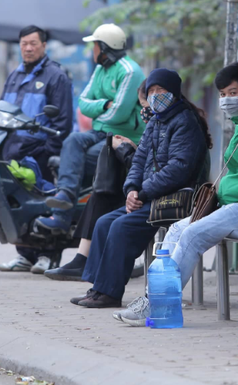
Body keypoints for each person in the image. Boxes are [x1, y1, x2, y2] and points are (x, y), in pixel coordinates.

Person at [114, 62, 238, 326]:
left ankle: (158, 306)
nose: (226, 100)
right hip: (235, 206)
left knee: (192, 234)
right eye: (222, 94)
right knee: (176, 230)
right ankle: (156, 300)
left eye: (232, 93)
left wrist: (231, 190)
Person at [70, 68, 209, 308]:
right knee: (103, 222)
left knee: (121, 226)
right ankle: (98, 288)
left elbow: (178, 169)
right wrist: (132, 189)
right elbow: (139, 161)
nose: (155, 95)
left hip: (173, 199)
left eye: (161, 90)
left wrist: (143, 193)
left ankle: (110, 293)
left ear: (174, 93)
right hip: (149, 196)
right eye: (151, 91)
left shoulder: (185, 122)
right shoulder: (155, 121)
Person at [41, 24, 145, 234]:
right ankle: (65, 197)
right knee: (72, 141)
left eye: (96, 45)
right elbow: (83, 103)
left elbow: (120, 114)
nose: (93, 50)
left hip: (123, 136)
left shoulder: (129, 71)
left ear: (106, 47)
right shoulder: (100, 69)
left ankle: (64, 218)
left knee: (83, 157)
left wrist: (100, 109)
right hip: (101, 131)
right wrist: (104, 104)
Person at [43, 81, 151, 280]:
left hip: (163, 193)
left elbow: (161, 169)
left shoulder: (174, 125)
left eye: (144, 107)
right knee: (103, 191)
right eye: (142, 106)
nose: (143, 112)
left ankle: (92, 266)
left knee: (109, 200)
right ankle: (84, 261)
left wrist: (128, 157)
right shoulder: (157, 126)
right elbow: (147, 162)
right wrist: (131, 152)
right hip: (145, 187)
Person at [0, 25, 74, 274]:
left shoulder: (56, 76)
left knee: (44, 203)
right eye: (24, 44)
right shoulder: (15, 76)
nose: (28, 48)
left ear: (43, 45)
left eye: (33, 43)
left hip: (39, 153)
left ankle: (47, 255)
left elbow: (63, 122)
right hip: (12, 151)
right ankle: (25, 255)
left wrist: (48, 153)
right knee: (17, 203)